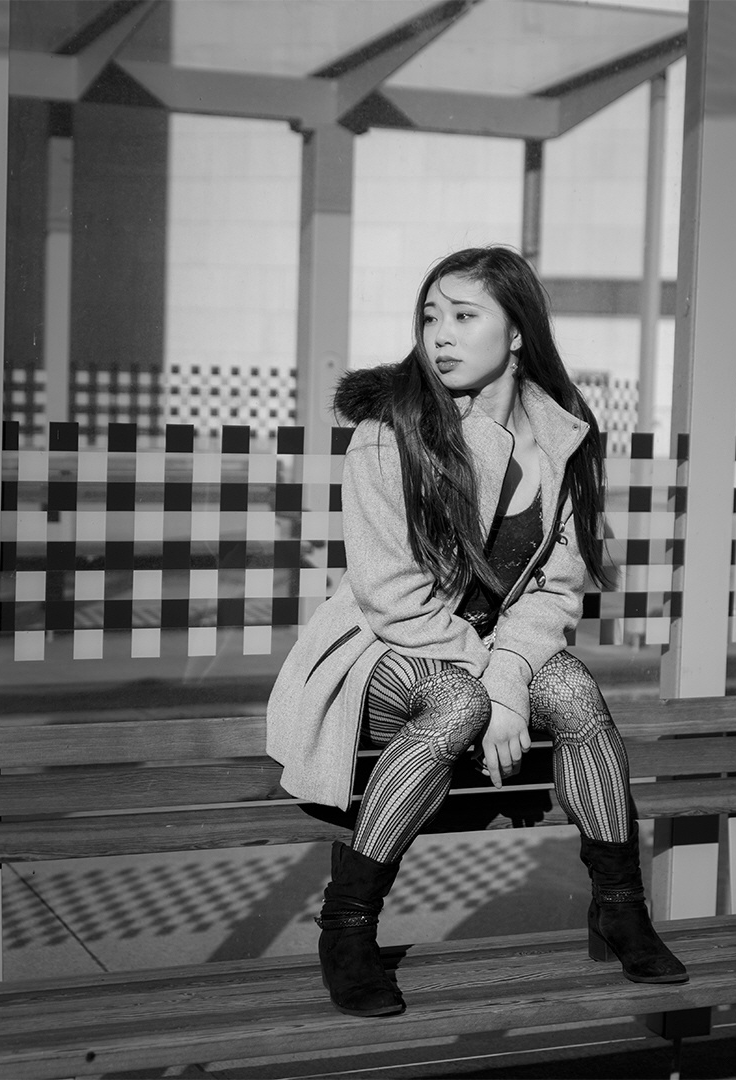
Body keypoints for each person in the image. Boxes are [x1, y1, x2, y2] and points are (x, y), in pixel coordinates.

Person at [265, 246, 687, 1018]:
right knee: (459, 701)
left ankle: (621, 907)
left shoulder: (559, 435)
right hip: (383, 647)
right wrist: (494, 682)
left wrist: (510, 674)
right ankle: (347, 929)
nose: (441, 334)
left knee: (573, 689)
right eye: (431, 316)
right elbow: (392, 596)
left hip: (490, 650)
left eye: (464, 316)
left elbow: (556, 586)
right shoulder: (391, 432)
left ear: (517, 331)